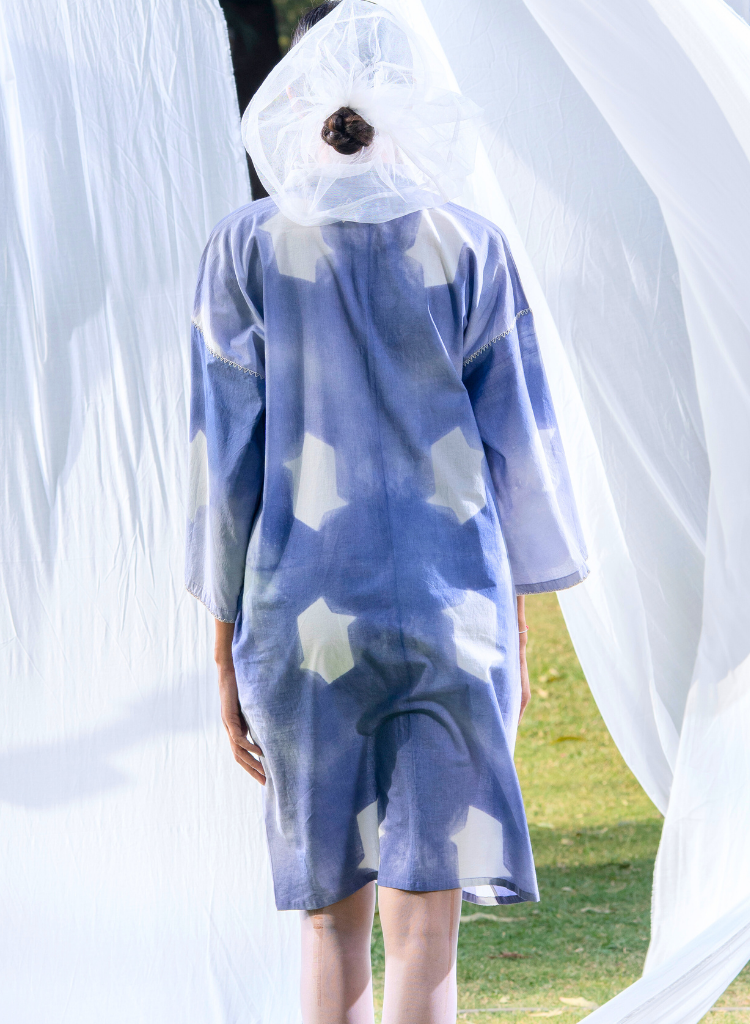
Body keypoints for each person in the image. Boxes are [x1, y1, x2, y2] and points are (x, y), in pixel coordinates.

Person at [185, 1, 588, 1021]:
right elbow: (517, 455)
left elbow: (223, 469)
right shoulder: (471, 247)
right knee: (426, 932)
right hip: (454, 614)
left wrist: (223, 648)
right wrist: (513, 626)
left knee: (330, 921)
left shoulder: (243, 250)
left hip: (301, 616)